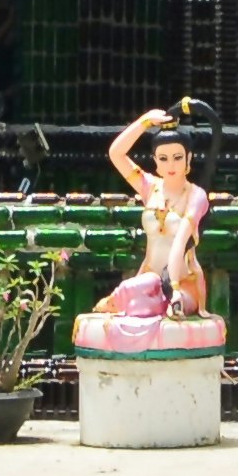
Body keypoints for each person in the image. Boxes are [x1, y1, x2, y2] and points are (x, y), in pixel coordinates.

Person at [94, 100, 214, 331]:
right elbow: (116, 154)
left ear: (188, 159)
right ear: (156, 162)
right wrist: (144, 122)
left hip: (183, 283)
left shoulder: (196, 196)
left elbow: (180, 243)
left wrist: (174, 286)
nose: (171, 165)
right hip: (148, 280)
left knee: (156, 304)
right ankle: (128, 298)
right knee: (140, 295)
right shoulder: (150, 187)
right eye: (163, 158)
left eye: (177, 157)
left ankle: (148, 300)